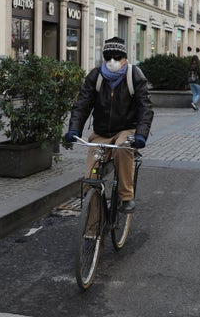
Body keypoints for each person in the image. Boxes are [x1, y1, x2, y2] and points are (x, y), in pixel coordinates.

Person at [64, 37, 154, 213]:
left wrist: (141, 134)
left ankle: (126, 196)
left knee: (122, 147)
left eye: (117, 57)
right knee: (90, 180)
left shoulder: (134, 75)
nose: (112, 62)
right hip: (101, 132)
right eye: (108, 57)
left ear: (125, 59)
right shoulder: (95, 76)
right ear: (103, 58)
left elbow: (146, 107)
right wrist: (73, 129)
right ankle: (92, 230)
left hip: (127, 128)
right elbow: (82, 104)